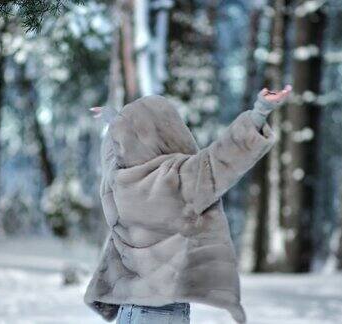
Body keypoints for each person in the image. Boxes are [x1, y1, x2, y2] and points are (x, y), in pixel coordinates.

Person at [84, 86, 291, 324]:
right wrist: (260, 112)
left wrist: (116, 122)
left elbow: (113, 154)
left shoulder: (118, 182)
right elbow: (222, 159)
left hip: (133, 310)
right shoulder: (176, 179)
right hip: (163, 312)